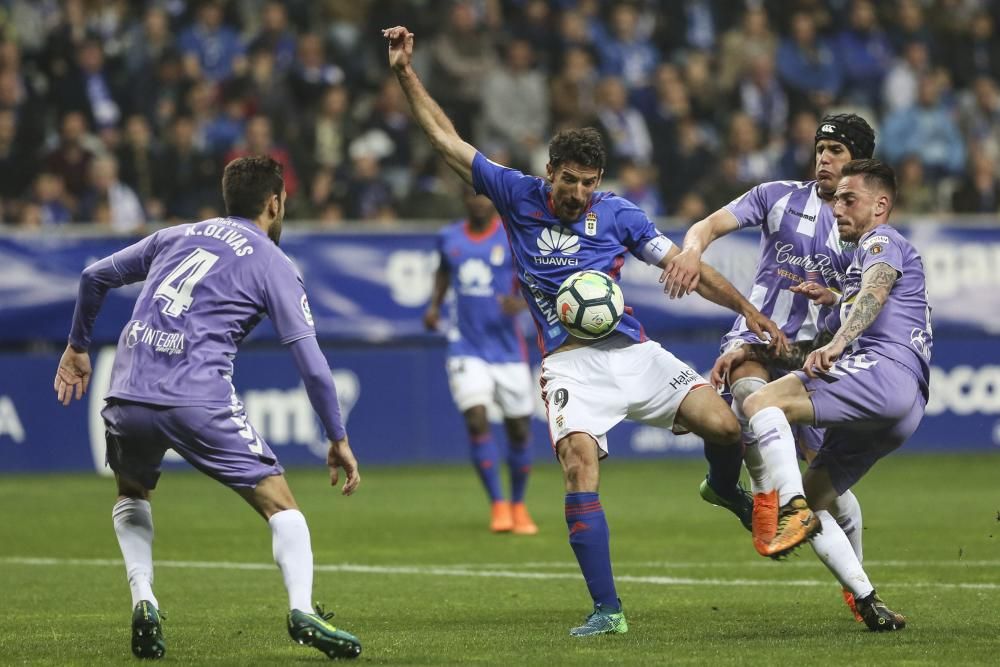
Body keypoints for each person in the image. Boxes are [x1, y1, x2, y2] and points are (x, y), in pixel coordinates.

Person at [383, 25, 787, 637]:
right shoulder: (516, 194)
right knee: (578, 465)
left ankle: (722, 487)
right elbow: (446, 140)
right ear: (550, 172)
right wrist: (405, 72)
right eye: (568, 179)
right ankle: (608, 609)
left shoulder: (620, 214)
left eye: (587, 182)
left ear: (599, 181)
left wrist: (751, 313)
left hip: (633, 352)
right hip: (570, 363)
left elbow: (687, 269)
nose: (576, 191)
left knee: (728, 426)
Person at [53, 156, 362, 660]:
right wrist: (338, 437)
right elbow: (312, 363)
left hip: (127, 391)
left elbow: (93, 277)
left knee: (132, 493)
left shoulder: (177, 235)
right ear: (275, 203)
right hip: (198, 397)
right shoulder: (272, 262)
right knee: (283, 507)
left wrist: (78, 347)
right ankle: (302, 608)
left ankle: (145, 598)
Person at [663, 114, 877, 611]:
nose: (823, 157)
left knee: (837, 499)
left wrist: (838, 299)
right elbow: (708, 224)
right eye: (820, 147)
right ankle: (763, 497)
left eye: (836, 151)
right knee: (745, 387)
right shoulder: (778, 195)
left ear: (858, 163)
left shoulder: (866, 231)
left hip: (809, 362)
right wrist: (692, 251)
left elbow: (870, 301)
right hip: (756, 339)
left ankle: (859, 589)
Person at [741, 159, 930, 632]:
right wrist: (750, 350)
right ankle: (867, 600)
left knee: (759, 403)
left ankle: (790, 510)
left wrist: (838, 341)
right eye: (834, 198)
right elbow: (810, 354)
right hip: (903, 409)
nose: (836, 207)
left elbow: (877, 288)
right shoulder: (845, 287)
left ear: (881, 205)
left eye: (849, 199)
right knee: (819, 492)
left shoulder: (882, 241)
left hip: (883, 372)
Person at [424, 190, 538, 535]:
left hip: (507, 349)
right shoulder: (449, 237)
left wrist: (522, 303)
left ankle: (518, 504)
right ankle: (498, 505)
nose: (477, 202)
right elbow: (444, 272)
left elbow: (534, 277)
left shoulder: (512, 234)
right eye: (471, 196)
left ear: (493, 201)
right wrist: (434, 306)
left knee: (519, 428)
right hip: (465, 345)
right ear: (465, 202)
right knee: (476, 419)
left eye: (483, 196)